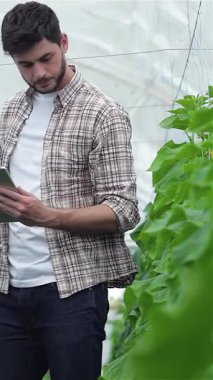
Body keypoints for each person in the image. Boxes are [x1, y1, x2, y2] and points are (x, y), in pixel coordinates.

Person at [0, 2, 140, 380]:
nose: (39, 73)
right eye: (25, 65)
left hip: (72, 293)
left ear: (64, 42)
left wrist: (47, 216)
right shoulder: (10, 113)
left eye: (46, 58)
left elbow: (124, 210)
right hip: (9, 292)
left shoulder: (102, 112)